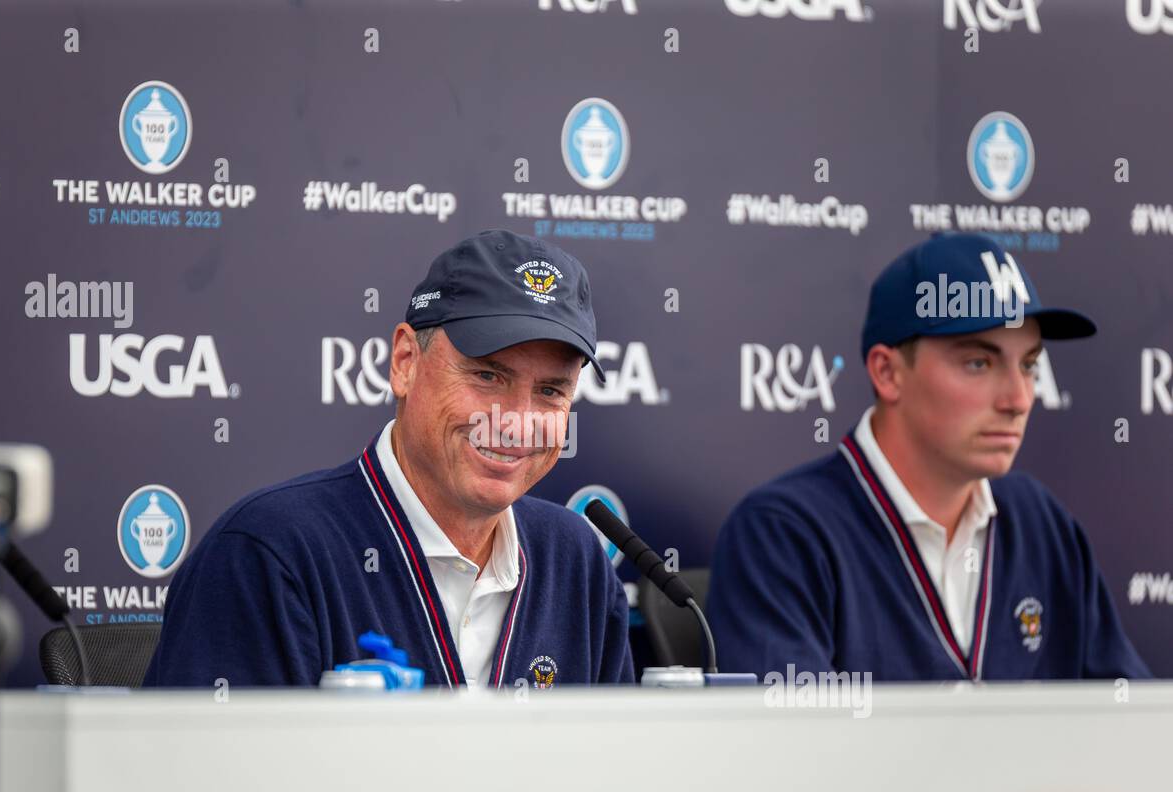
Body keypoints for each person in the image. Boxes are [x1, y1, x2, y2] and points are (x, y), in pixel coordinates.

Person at [145, 229, 633, 689]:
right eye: (488, 377)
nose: (516, 421)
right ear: (405, 362)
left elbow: (619, 773)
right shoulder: (268, 553)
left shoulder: (577, 561)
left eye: (550, 390)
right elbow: (203, 777)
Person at [708, 233, 1150, 681]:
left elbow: (1130, 725)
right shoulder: (783, 534)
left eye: (1029, 365)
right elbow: (785, 745)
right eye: (979, 362)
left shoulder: (1042, 525)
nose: (1018, 398)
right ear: (887, 372)